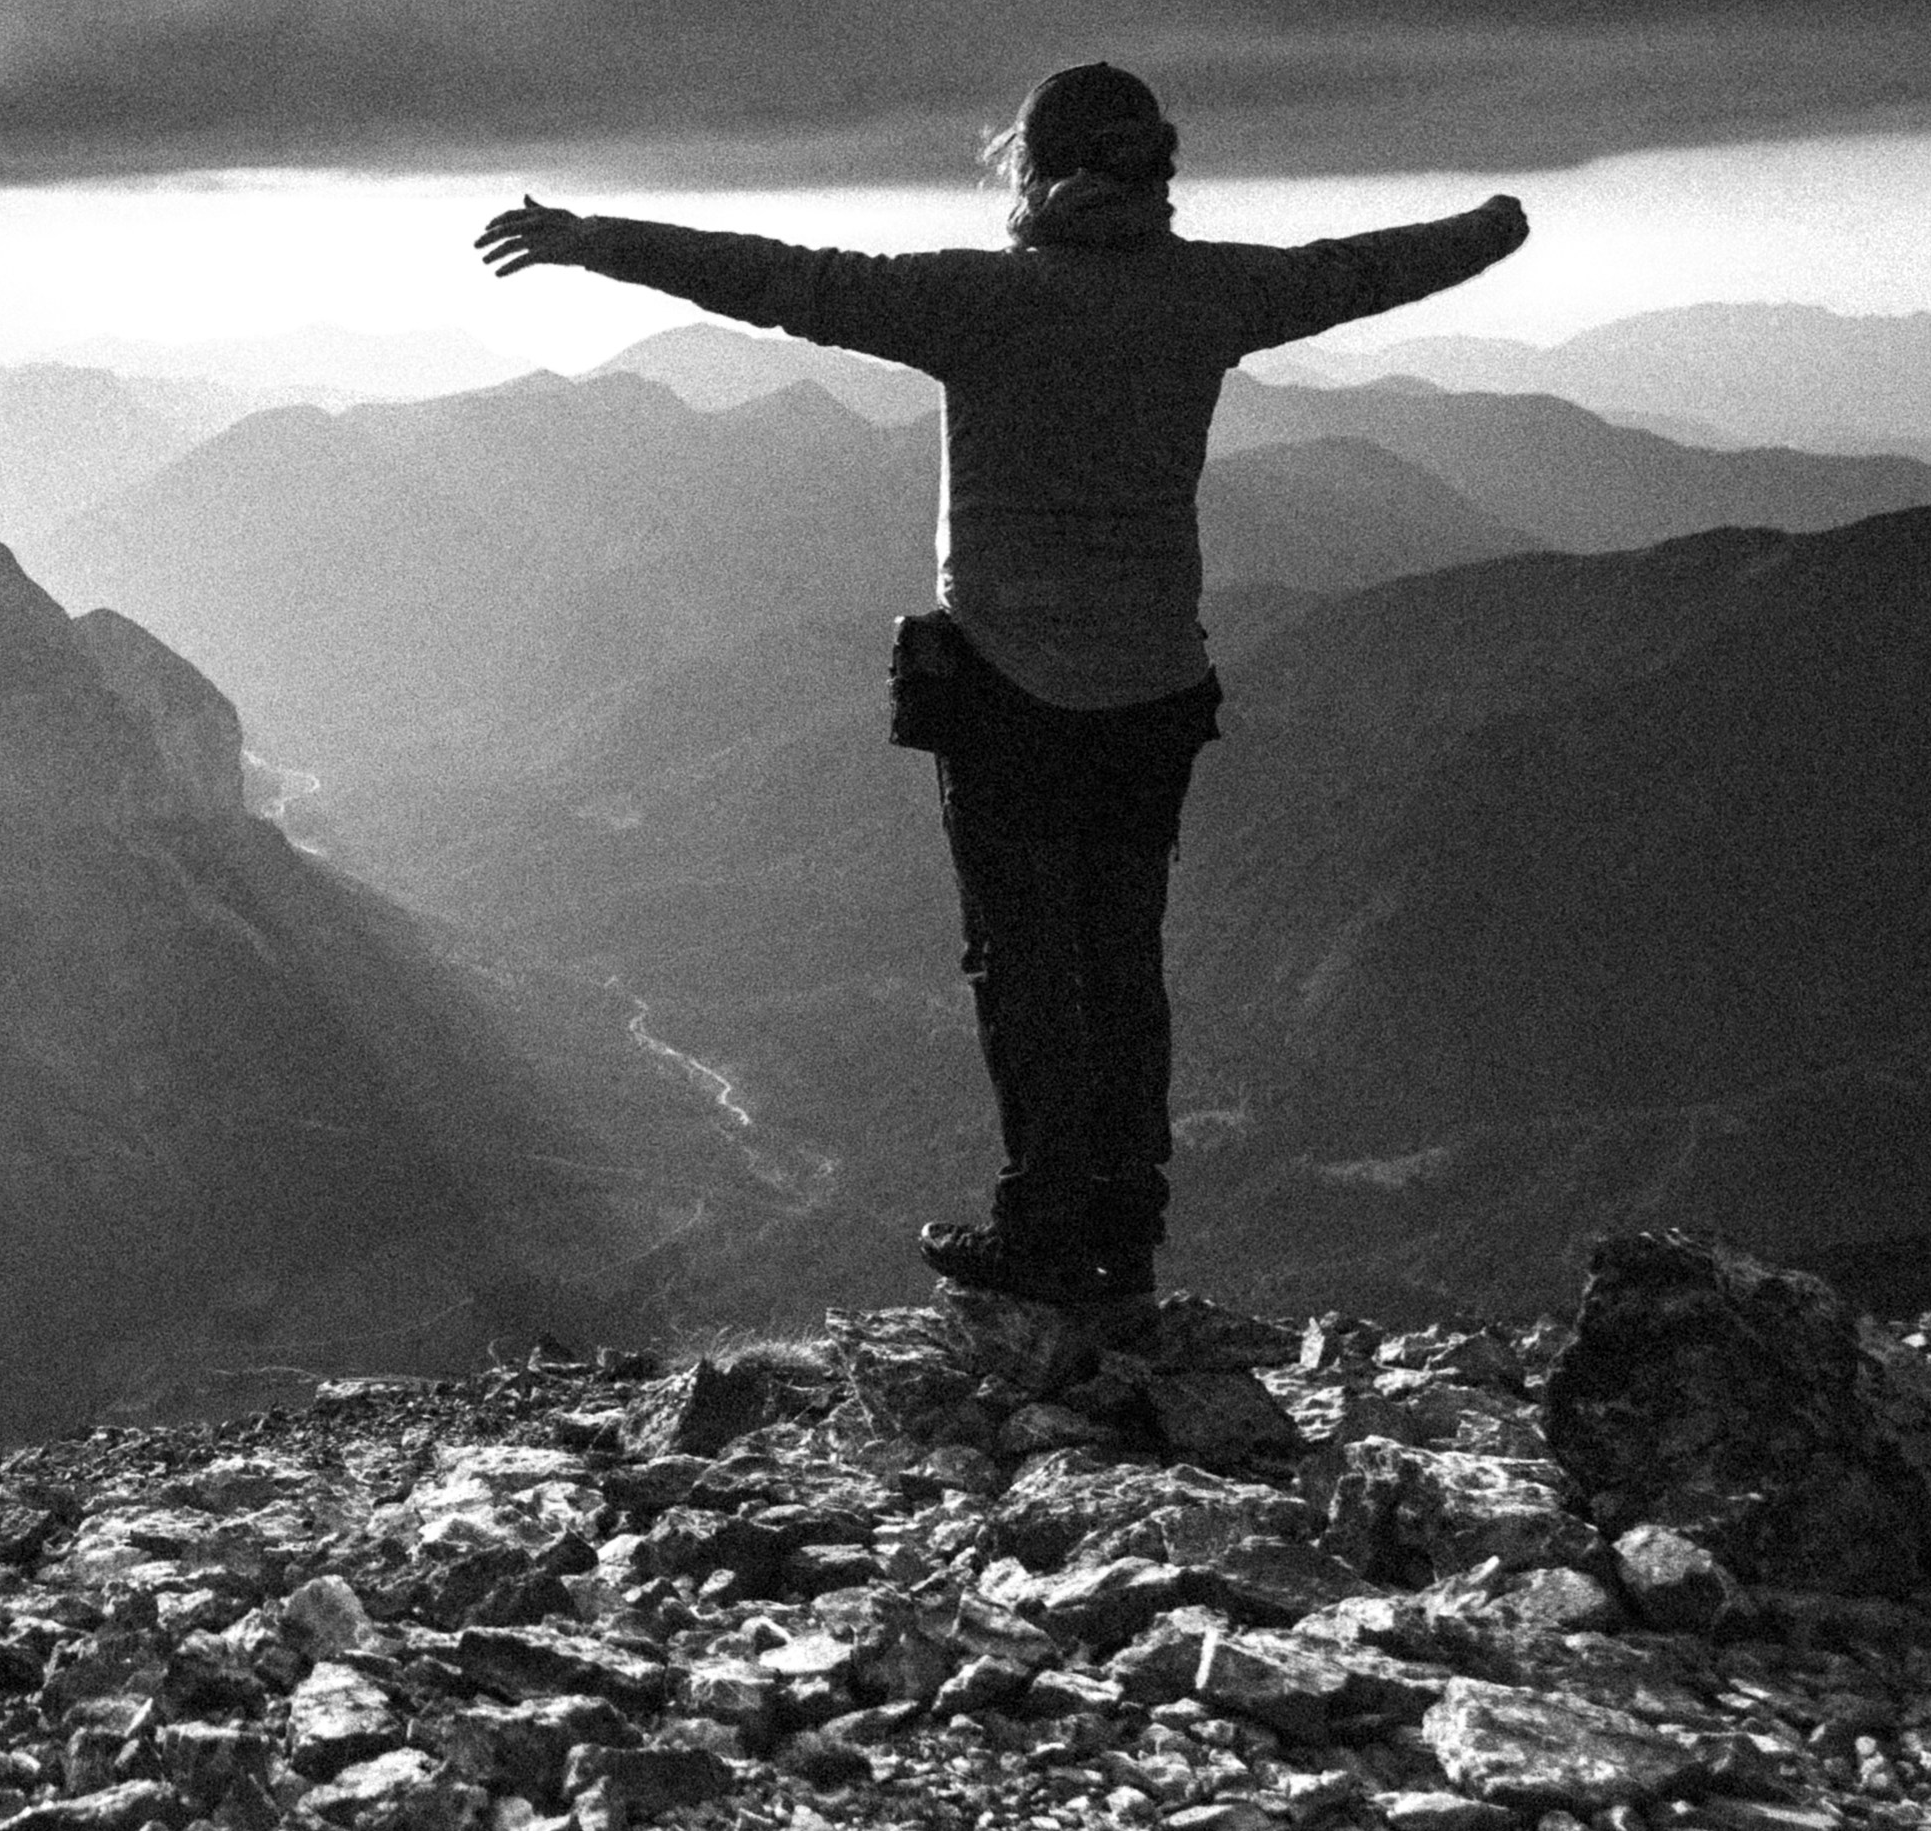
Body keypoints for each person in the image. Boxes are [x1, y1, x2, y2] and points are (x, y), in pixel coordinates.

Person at [476, 63, 1527, 1306]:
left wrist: (598, 239)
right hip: (1154, 691)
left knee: (1025, 964)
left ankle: (1040, 1229)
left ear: (1033, 170)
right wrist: (1495, 225)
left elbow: (784, 278)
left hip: (1009, 693)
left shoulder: (978, 302)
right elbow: (1364, 266)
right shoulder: (1216, 293)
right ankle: (1124, 1234)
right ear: (1157, 167)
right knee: (1121, 956)